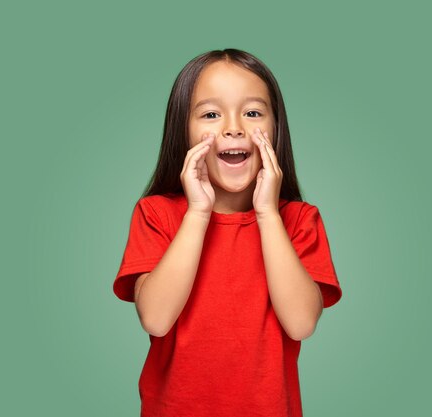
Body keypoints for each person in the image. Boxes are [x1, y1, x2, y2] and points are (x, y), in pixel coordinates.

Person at [113, 48, 343, 417]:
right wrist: (198, 212)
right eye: (210, 114)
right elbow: (155, 318)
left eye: (252, 113)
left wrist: (267, 212)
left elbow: (301, 324)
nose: (233, 127)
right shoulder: (156, 213)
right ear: (182, 130)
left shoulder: (299, 220)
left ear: (275, 129)